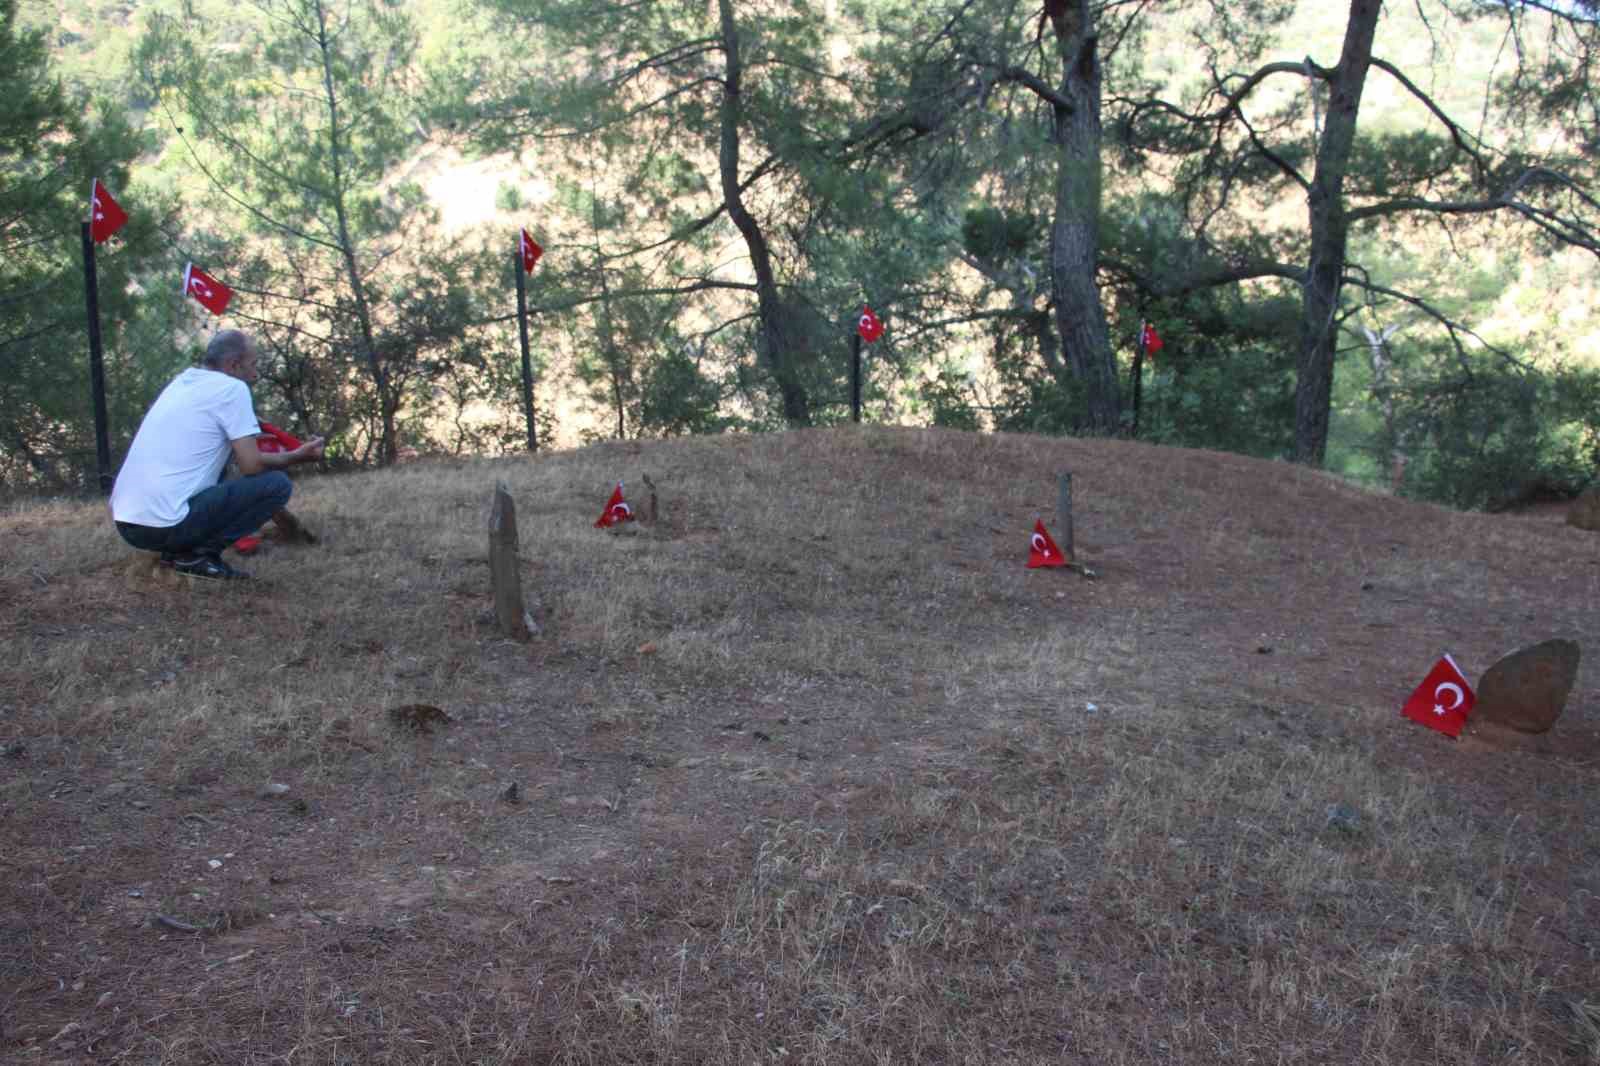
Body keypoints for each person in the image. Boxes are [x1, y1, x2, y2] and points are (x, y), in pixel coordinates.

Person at [109, 330, 324, 579]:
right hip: (163, 526)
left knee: (218, 466)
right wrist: (298, 456)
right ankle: (198, 555)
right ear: (233, 365)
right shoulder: (233, 389)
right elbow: (251, 466)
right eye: (252, 365)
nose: (255, 375)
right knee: (276, 485)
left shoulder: (182, 382)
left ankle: (180, 550)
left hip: (127, 524)